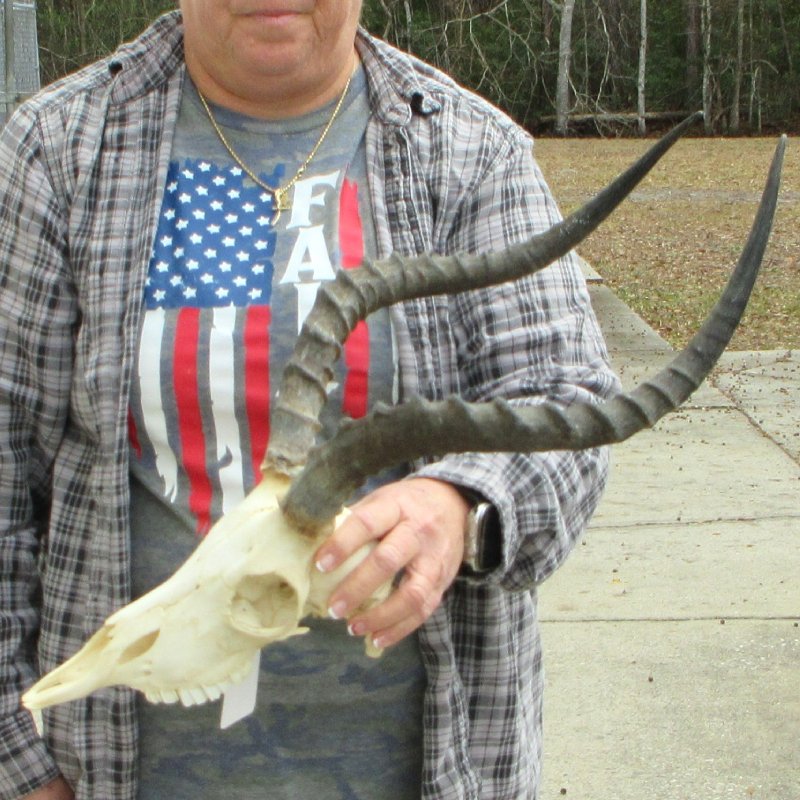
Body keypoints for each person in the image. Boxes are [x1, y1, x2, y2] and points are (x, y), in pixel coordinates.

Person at [0, 3, 619, 799]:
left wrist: (461, 506)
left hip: (426, 771)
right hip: (116, 774)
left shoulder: (470, 152)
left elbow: (569, 406)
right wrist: (20, 765)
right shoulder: (59, 148)